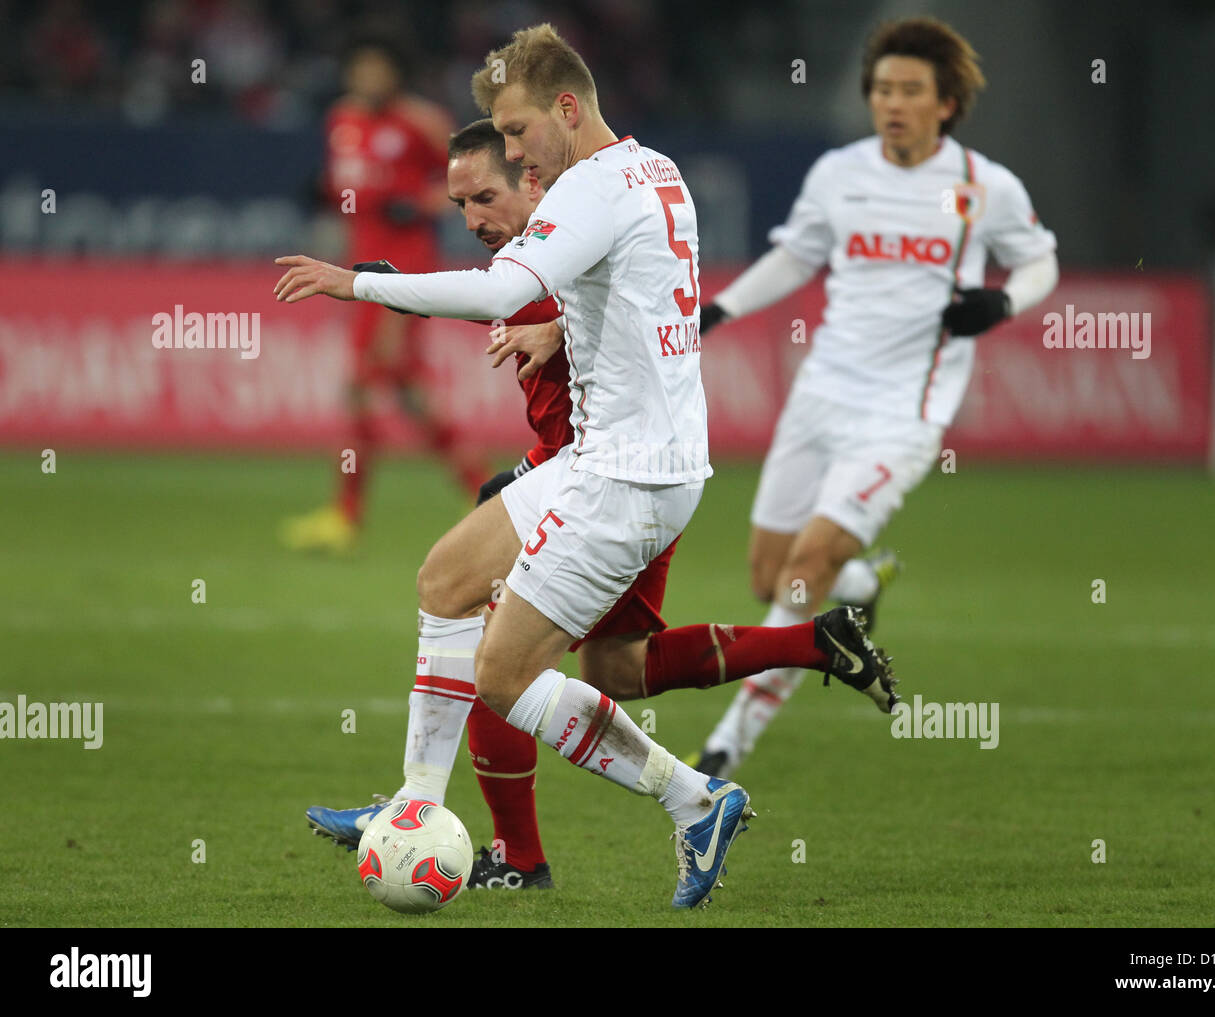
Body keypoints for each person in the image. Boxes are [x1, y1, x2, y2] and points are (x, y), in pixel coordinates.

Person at [276, 25, 896, 908]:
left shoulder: (597, 184)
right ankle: (415, 805)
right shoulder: (657, 170)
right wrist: (560, 325)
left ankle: (697, 799)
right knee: (446, 578)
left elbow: (496, 287)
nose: (517, 153)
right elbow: (634, 293)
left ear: (567, 108)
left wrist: (361, 280)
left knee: (507, 674)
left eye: (521, 132)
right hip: (615, 454)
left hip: (630, 474)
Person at [690, 16, 1060, 779]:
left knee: (804, 570)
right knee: (771, 577)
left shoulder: (985, 187)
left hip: (901, 416)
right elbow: (797, 254)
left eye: (910, 90)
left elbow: (1040, 261)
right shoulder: (839, 172)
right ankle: (860, 583)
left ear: (947, 103)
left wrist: (1000, 305)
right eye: (882, 89)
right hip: (819, 396)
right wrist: (722, 307)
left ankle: (730, 742)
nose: (892, 102)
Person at [280, 37, 486, 554]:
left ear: (395, 73)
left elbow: (474, 175)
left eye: (377, 68)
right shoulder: (341, 120)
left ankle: (345, 515)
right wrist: (324, 193)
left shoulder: (422, 122)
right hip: (357, 275)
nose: (367, 78)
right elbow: (344, 186)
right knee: (405, 392)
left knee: (365, 385)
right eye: (360, 68)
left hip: (404, 275)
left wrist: (421, 200)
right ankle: (482, 492)